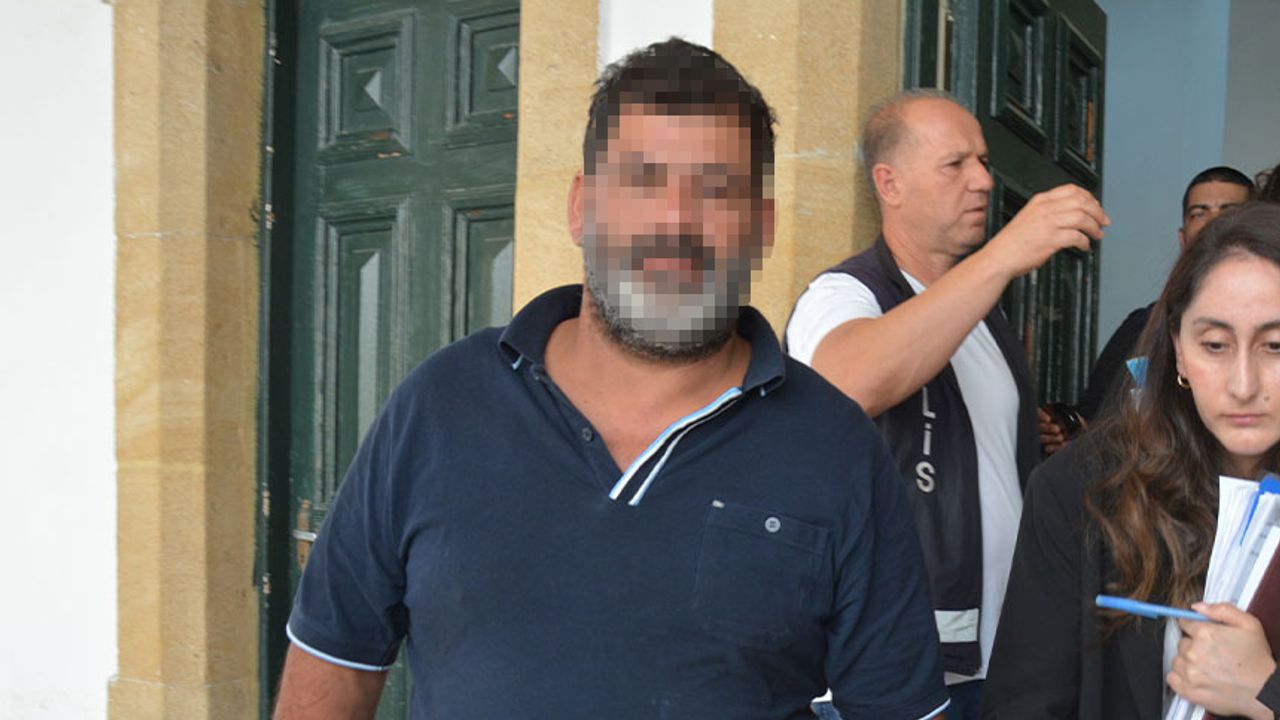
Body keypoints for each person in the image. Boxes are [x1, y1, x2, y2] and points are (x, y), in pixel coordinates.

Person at [272, 38, 949, 720]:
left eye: (716, 190)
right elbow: (335, 663)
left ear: (761, 227)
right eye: (642, 180)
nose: (676, 222)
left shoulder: (834, 446)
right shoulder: (442, 403)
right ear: (580, 207)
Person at [786, 88, 1108, 718]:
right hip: (893, 667)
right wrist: (1004, 254)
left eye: (983, 161)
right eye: (955, 164)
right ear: (890, 183)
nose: (983, 180)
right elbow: (850, 383)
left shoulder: (984, 312)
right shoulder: (844, 292)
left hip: (998, 655)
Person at [983, 202, 1280, 719]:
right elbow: (1024, 705)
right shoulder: (1082, 489)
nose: (1243, 385)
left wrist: (1266, 692)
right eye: (1214, 345)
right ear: (1179, 349)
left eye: (1275, 345)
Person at [1067, 166, 1255, 428]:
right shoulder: (1143, 326)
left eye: (1229, 211)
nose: (1213, 222)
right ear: (1182, 237)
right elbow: (1091, 420)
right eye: (1199, 213)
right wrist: (1063, 426)